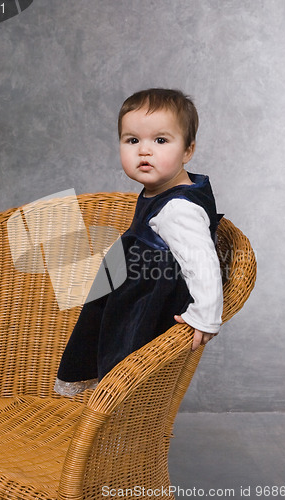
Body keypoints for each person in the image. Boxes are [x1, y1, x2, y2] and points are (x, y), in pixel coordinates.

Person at [54, 88, 223, 397]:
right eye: (132, 140)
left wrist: (206, 316)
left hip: (148, 300)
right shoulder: (161, 190)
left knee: (123, 356)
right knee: (100, 330)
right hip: (134, 282)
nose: (144, 151)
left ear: (188, 151)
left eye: (161, 140)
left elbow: (202, 261)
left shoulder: (178, 209)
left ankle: (118, 408)